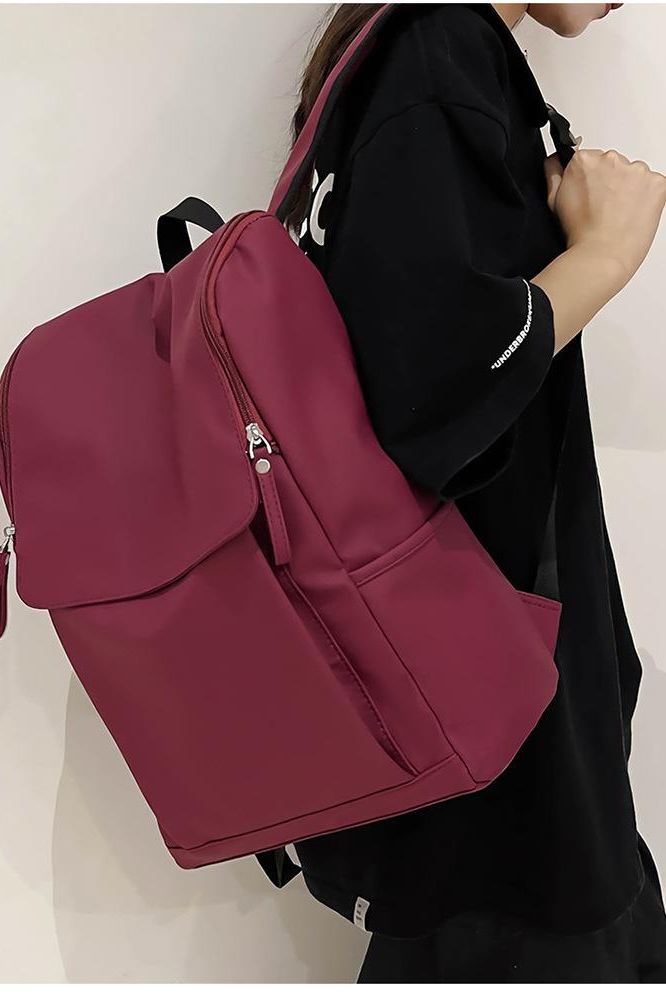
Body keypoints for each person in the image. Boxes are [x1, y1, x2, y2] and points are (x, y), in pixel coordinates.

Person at [280, 2, 666, 983]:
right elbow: (431, 393)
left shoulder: (408, 58)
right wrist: (604, 257)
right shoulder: (434, 57)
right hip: (505, 736)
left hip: (474, 709)